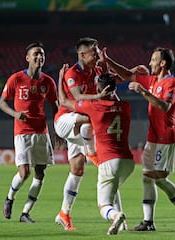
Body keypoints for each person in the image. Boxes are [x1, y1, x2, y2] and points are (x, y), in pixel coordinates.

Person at [100, 46, 175, 231]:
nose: (149, 62)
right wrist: (107, 59)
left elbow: (165, 106)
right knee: (147, 178)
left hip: (165, 138)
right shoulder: (152, 80)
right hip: (152, 137)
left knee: (159, 178)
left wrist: (143, 92)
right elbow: (127, 74)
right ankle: (148, 222)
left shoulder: (171, 84)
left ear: (162, 63)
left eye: (153, 59)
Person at [58, 66, 135, 235]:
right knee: (113, 188)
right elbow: (113, 97)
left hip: (109, 160)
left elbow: (64, 101)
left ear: (99, 89)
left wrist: (61, 78)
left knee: (103, 205)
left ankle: (116, 215)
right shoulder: (126, 106)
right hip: (129, 162)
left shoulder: (94, 107)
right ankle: (123, 224)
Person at [0, 42, 58, 223]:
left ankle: (25, 213)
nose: (39, 57)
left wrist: (59, 130)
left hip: (41, 132)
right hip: (22, 132)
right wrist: (16, 114)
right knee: (24, 172)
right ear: (27, 58)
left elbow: (55, 107)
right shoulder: (16, 79)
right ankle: (9, 198)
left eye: (42, 54)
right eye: (36, 54)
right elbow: (2, 102)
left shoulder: (48, 82)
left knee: (40, 173)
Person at [53, 37, 107, 230]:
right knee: (92, 119)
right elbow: (75, 97)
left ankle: (64, 214)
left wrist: (132, 74)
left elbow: (112, 80)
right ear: (83, 55)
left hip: (82, 127)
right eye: (95, 51)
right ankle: (91, 151)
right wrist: (98, 97)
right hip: (65, 120)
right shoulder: (72, 72)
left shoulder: (97, 70)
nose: (98, 54)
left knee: (77, 170)